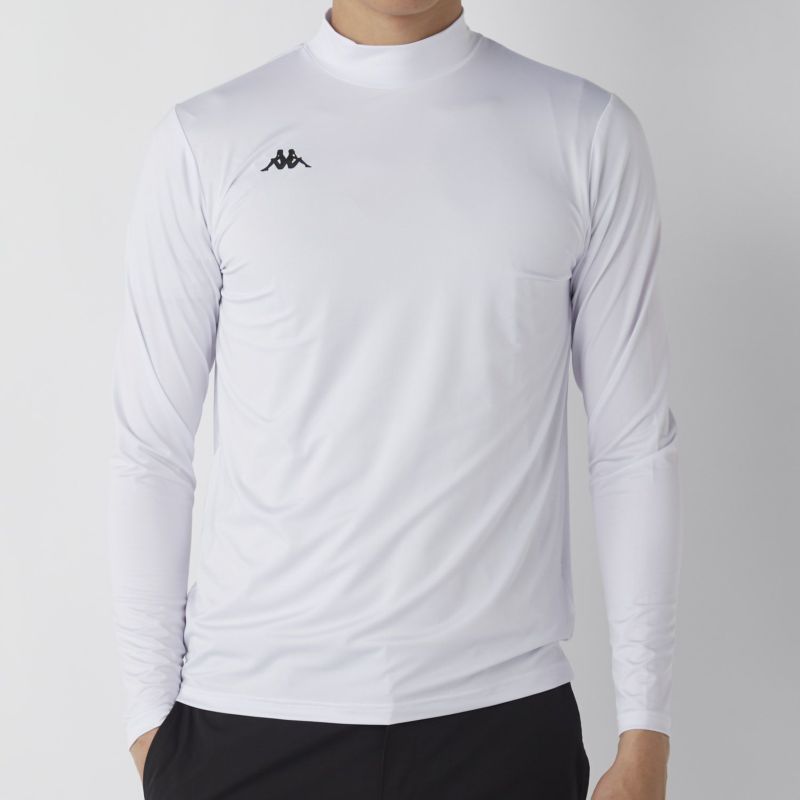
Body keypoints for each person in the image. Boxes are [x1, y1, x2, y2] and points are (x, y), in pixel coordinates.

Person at [107, 1, 682, 798]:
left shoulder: (585, 131)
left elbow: (632, 443)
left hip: (502, 720)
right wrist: (150, 725)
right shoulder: (208, 138)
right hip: (249, 715)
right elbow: (151, 448)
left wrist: (645, 732)